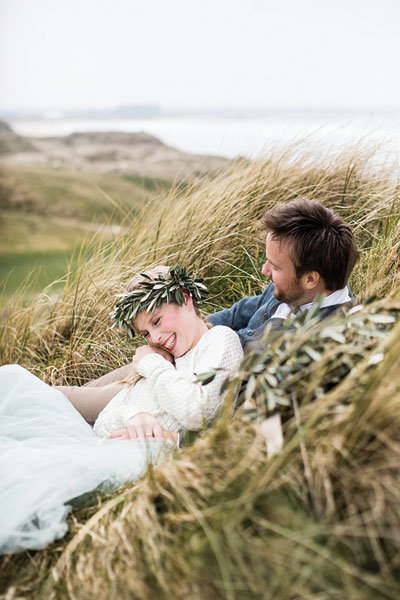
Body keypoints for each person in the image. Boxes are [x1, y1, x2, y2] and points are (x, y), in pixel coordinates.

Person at [0, 265, 243, 554]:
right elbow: (104, 422)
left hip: (145, 456)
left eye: (157, 320)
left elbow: (198, 409)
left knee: (33, 473)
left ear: (184, 296)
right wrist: (133, 416)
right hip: (105, 444)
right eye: (145, 333)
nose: (153, 338)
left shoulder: (219, 341)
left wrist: (152, 365)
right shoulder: (169, 358)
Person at [85, 198, 359, 392]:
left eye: (274, 267)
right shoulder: (291, 291)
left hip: (192, 390)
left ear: (311, 278)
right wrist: (183, 337)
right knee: (84, 391)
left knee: (82, 404)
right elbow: (238, 313)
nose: (264, 270)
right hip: (185, 360)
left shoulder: (324, 341)